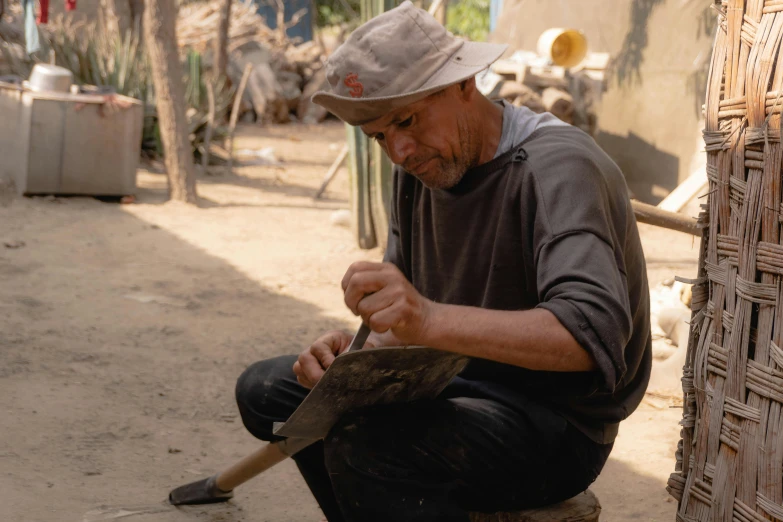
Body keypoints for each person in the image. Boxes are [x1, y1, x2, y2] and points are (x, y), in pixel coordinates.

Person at [235, 2, 651, 521]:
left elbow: (593, 336)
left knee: (367, 446)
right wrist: (356, 356)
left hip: (554, 423)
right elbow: (406, 324)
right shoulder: (419, 169)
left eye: (406, 120)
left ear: (463, 85)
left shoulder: (558, 168)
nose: (399, 150)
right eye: (380, 136)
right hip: (449, 377)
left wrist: (427, 319)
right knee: (266, 391)